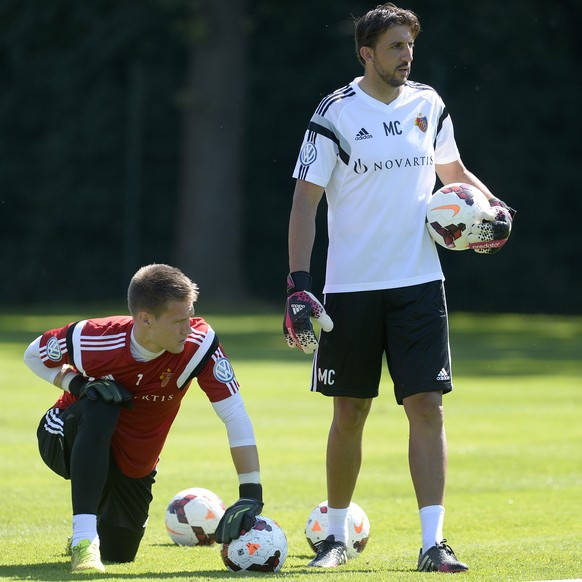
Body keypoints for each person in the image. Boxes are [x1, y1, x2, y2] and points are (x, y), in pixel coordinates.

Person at [283, 2, 515, 573]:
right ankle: (334, 538)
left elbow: (452, 173)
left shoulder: (429, 104)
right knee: (350, 412)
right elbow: (304, 202)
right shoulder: (334, 113)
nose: (406, 56)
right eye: (394, 47)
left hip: (419, 285)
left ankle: (433, 543)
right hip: (351, 292)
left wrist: (493, 208)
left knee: (428, 409)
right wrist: (298, 285)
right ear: (366, 52)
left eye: (410, 46)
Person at [24, 263, 263, 574]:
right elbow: (33, 354)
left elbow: (234, 413)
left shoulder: (199, 345)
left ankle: (95, 533)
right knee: (101, 404)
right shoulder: (92, 338)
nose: (188, 329)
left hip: (133, 462)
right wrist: (79, 385)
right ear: (145, 319)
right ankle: (84, 539)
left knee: (120, 553)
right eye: (178, 321)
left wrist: (250, 494)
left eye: (190, 317)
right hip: (63, 436)